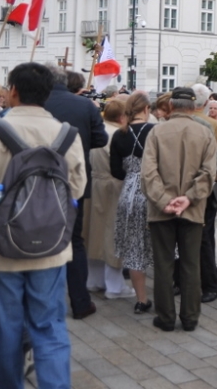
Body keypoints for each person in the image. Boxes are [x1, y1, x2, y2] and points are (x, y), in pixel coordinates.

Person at [0, 62, 86, 389]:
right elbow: (78, 189)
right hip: (52, 245)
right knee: (50, 325)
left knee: (7, 328)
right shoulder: (68, 135)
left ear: (12, 91)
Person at [142, 87, 217, 333]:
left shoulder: (156, 132)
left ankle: (165, 317)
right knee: (190, 263)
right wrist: (189, 198)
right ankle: (190, 316)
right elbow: (209, 173)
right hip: (192, 208)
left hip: (160, 208)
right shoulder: (204, 133)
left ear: (171, 106)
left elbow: (148, 172)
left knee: (163, 264)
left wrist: (163, 200)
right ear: (195, 107)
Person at [43, 67, 108, 320]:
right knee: (74, 240)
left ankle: (47, 300)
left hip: (37, 180)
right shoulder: (85, 105)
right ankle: (80, 301)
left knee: (43, 238)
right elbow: (101, 140)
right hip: (75, 179)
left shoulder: (38, 104)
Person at [111, 93, 156, 314]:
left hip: (128, 193)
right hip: (152, 191)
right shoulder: (154, 132)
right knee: (160, 245)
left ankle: (141, 299)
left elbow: (115, 171)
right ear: (146, 109)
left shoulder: (120, 135)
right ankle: (166, 292)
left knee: (135, 248)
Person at [84, 98, 131, 300]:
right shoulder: (119, 135)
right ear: (122, 116)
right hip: (114, 186)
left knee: (93, 233)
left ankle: (93, 280)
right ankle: (114, 286)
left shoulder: (96, 132)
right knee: (114, 235)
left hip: (94, 184)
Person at [191, 84, 217, 305]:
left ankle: (206, 282)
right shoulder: (211, 124)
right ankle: (209, 281)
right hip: (206, 185)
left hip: (197, 186)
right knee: (206, 238)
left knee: (200, 238)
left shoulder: (208, 123)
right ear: (204, 104)